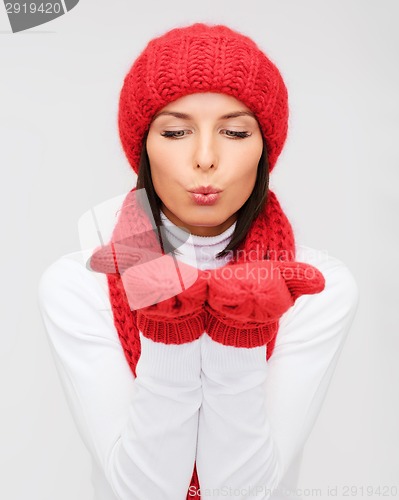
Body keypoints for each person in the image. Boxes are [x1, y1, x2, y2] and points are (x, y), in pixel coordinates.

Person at [37, 22, 359, 500]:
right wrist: (170, 332)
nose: (205, 157)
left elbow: (241, 492)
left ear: (264, 149)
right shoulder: (78, 285)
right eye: (174, 131)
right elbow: (146, 492)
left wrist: (239, 333)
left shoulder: (314, 287)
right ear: (143, 145)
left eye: (233, 131)